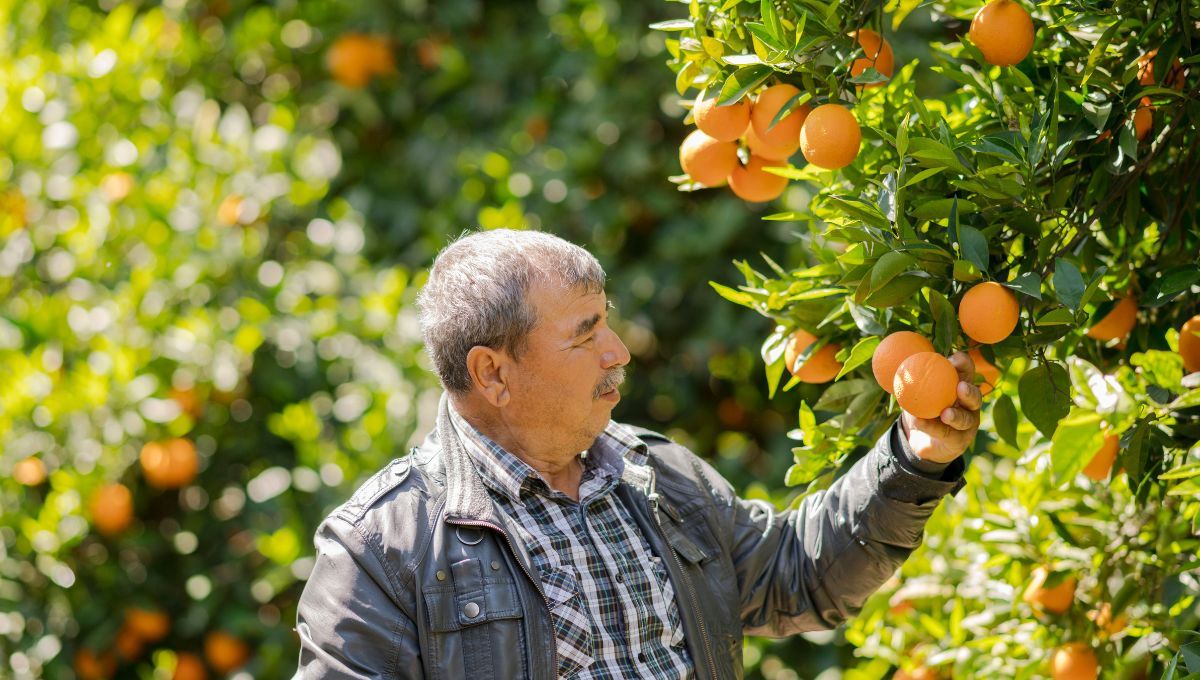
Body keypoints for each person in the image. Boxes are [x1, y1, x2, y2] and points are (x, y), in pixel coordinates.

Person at [294, 229, 980, 679]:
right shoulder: (381, 550)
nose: (617, 352)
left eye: (609, 324)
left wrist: (913, 457)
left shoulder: (656, 477)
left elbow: (793, 576)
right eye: (585, 333)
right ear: (492, 373)